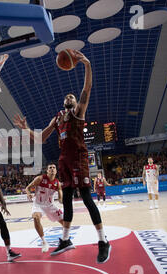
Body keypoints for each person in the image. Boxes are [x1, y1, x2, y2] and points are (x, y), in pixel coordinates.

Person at [13, 49, 111, 263]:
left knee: (86, 198)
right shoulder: (57, 118)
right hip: (64, 162)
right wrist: (25, 128)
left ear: (76, 103)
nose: (69, 96)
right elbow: (40, 138)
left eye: (72, 96)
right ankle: (65, 239)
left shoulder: (79, 112)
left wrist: (86, 64)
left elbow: (87, 88)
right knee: (66, 200)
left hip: (79, 159)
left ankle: (103, 241)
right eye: (67, 96)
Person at [25, 163, 67, 254]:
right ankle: (44, 242)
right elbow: (27, 188)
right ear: (47, 171)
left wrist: (62, 200)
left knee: (65, 222)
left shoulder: (57, 183)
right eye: (50, 168)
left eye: (54, 167)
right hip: (38, 204)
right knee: (36, 218)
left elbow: (60, 198)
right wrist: (28, 193)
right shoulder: (40, 179)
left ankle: (65, 240)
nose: (52, 169)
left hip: (50, 205)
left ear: (56, 171)